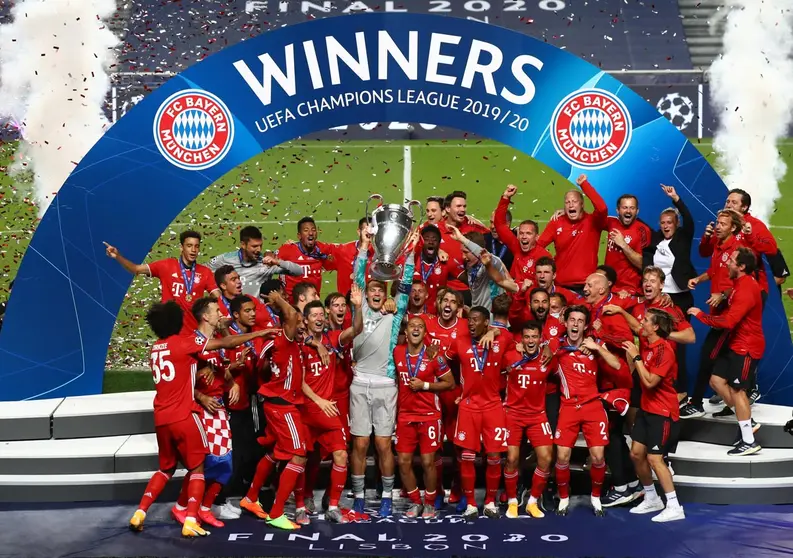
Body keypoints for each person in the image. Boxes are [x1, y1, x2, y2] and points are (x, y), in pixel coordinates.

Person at [128, 299, 274, 537]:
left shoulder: (155, 349)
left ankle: (140, 512)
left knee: (165, 469)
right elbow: (226, 342)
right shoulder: (186, 343)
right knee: (198, 468)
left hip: (161, 417)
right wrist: (263, 332)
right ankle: (191, 520)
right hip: (185, 414)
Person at [349, 227, 419, 519]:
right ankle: (359, 498)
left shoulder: (395, 313)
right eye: (372, 291)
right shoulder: (358, 307)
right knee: (360, 444)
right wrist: (364, 246)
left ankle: (388, 496)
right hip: (359, 384)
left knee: (382, 444)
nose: (376, 294)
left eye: (381, 291)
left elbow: (405, 285)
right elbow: (357, 278)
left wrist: (411, 252)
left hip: (385, 385)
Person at [544, 305, 622, 517]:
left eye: (580, 321)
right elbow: (541, 354)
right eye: (572, 320)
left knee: (597, 457)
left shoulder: (594, 346)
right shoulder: (557, 349)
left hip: (592, 406)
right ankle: (563, 498)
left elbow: (616, 365)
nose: (575, 324)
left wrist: (597, 348)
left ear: (585, 325)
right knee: (562, 455)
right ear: (566, 323)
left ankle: (595, 498)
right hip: (568, 406)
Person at [239, 290, 308, 529]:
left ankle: (250, 497)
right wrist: (279, 300)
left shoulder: (279, 339)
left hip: (276, 402)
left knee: (276, 452)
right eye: (299, 320)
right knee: (299, 454)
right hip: (283, 406)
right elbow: (289, 314)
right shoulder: (285, 337)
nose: (302, 323)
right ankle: (277, 512)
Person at [688, 247, 764, 456]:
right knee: (716, 380)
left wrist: (702, 316)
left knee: (739, 391)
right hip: (736, 345)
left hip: (747, 347)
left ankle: (749, 440)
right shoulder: (739, 284)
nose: (727, 263)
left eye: (731, 260)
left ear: (741, 267)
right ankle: (748, 421)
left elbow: (729, 321)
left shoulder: (747, 288)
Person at [298, 286, 363, 524]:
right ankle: (301, 501)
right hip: (306, 410)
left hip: (329, 409)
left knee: (340, 454)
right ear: (305, 320)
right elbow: (298, 381)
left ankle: (333, 505)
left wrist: (357, 306)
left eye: (320, 316)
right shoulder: (299, 343)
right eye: (313, 315)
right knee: (304, 458)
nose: (319, 319)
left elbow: (356, 330)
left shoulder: (332, 339)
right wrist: (318, 400)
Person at [443, 306, 510, 519]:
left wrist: (494, 331)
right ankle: (471, 504)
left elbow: (509, 334)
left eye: (475, 320)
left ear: (485, 323)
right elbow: (445, 362)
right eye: (469, 320)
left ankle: (490, 501)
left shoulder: (500, 339)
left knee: (493, 457)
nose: (471, 324)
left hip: (493, 406)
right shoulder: (460, 342)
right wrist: (458, 391)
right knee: (467, 457)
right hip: (469, 406)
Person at [681, 209, 745, 419]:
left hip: (727, 318)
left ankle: (697, 402)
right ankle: (738, 408)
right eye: (717, 222)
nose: (717, 226)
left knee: (708, 357)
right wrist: (698, 280)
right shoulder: (719, 244)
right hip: (718, 315)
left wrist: (723, 295)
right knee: (725, 363)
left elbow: (741, 284)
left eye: (723, 224)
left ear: (733, 228)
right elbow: (713, 271)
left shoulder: (738, 250)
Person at [624, 308, 685, 522]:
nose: (642, 321)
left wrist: (636, 357)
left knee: (655, 458)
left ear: (656, 327)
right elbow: (633, 326)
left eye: (646, 320)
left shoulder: (664, 351)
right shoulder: (648, 342)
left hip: (663, 412)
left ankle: (674, 506)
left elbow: (650, 382)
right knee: (636, 454)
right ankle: (652, 498)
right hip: (647, 409)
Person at [394, 316, 455, 519]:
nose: (416, 329)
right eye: (413, 326)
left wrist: (425, 385)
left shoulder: (434, 356)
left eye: (420, 326)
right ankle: (415, 502)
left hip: (429, 415)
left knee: (429, 462)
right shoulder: (398, 352)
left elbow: (450, 383)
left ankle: (429, 502)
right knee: (403, 462)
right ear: (407, 330)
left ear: (425, 332)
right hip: (405, 416)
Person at [104, 231, 220, 331]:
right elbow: (136, 269)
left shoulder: (205, 272)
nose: (193, 250)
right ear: (181, 247)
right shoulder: (166, 265)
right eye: (189, 246)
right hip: (170, 329)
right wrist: (117, 256)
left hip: (194, 329)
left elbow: (217, 297)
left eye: (196, 246)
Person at [503, 322, 554, 519]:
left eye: (534, 337)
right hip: (513, 414)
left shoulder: (547, 358)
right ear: (521, 339)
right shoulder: (510, 356)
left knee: (546, 458)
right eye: (527, 337)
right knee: (512, 459)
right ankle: (512, 502)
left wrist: (548, 347)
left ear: (540, 339)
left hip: (537, 415)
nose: (530, 341)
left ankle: (532, 502)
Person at [537, 174, 608, 292]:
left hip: (586, 286)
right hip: (560, 286)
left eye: (574, 201)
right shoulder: (556, 222)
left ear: (582, 205)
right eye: (567, 202)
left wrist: (584, 185)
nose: (571, 205)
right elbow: (538, 246)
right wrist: (550, 262)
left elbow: (602, 208)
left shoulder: (593, 221)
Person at [208, 225, 303, 297]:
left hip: (260, 314)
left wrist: (278, 262)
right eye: (254, 246)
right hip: (236, 314)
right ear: (243, 245)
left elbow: (299, 271)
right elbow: (203, 271)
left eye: (260, 245)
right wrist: (215, 291)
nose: (259, 250)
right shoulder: (226, 259)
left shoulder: (267, 263)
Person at [277, 217, 336, 301]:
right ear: (299, 236)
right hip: (290, 306)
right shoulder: (287, 250)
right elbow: (269, 259)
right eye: (306, 230)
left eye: (313, 230)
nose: (311, 233)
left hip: (312, 306)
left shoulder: (322, 250)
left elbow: (341, 251)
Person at [604, 194, 652, 295]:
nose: (628, 211)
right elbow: (588, 219)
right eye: (624, 207)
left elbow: (643, 265)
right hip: (608, 286)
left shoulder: (643, 230)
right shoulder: (611, 222)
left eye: (632, 208)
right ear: (618, 210)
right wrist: (564, 213)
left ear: (637, 211)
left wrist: (623, 245)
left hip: (629, 289)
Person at [414, 225, 452, 314]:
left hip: (434, 316)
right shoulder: (412, 261)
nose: (431, 242)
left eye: (435, 240)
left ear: (439, 244)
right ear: (421, 241)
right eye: (427, 239)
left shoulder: (445, 262)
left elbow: (465, 281)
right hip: (412, 315)